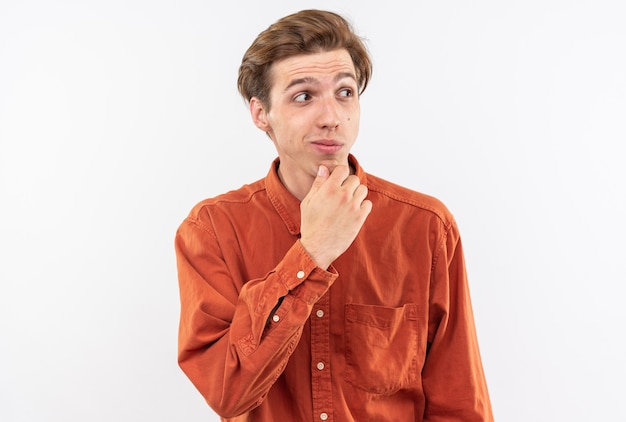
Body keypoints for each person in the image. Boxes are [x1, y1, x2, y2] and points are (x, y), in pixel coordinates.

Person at [175, 9, 494, 421]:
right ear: (260, 114)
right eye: (304, 96)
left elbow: (459, 402)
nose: (331, 118)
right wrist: (310, 255)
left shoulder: (426, 227)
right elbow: (228, 390)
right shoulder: (212, 231)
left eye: (345, 92)